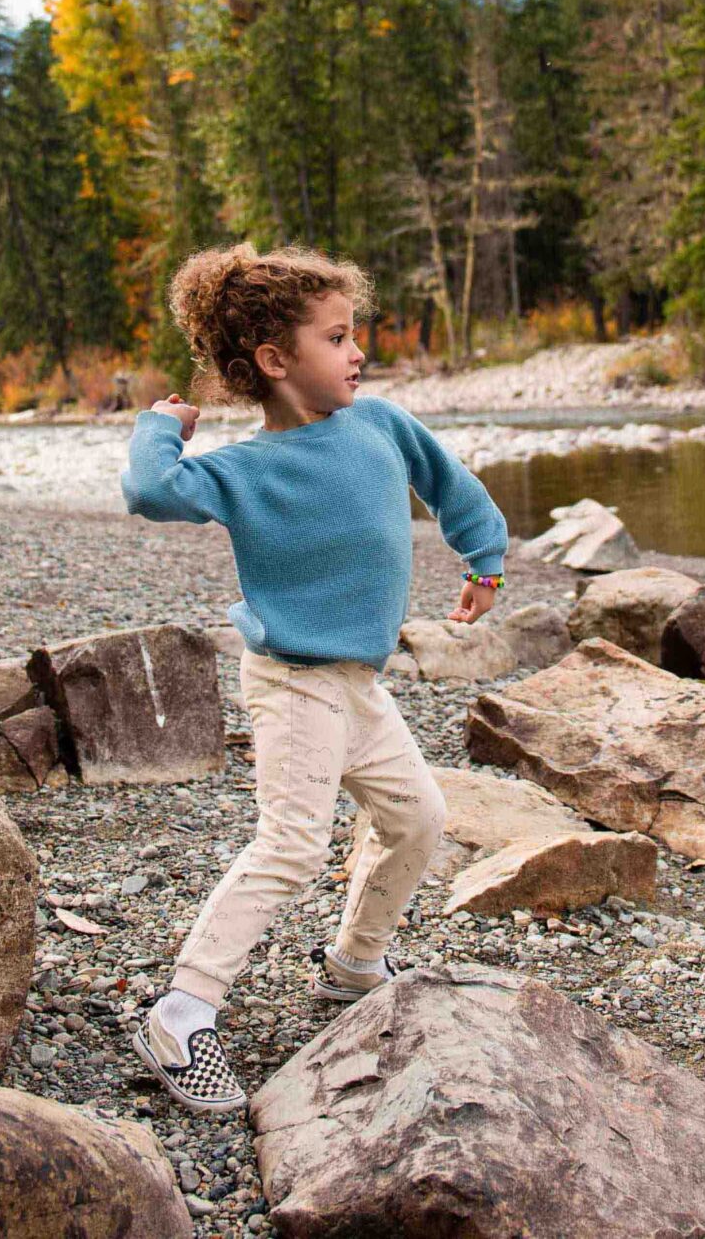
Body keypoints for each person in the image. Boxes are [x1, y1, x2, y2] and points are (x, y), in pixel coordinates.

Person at [119, 242, 508, 1113]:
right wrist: (159, 429)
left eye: (353, 333)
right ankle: (182, 1012)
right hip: (293, 680)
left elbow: (455, 490)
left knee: (418, 819)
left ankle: (352, 967)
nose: (358, 351)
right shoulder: (238, 471)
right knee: (291, 842)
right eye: (337, 337)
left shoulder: (382, 426)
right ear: (275, 361)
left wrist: (485, 561)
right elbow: (148, 493)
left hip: (358, 685)